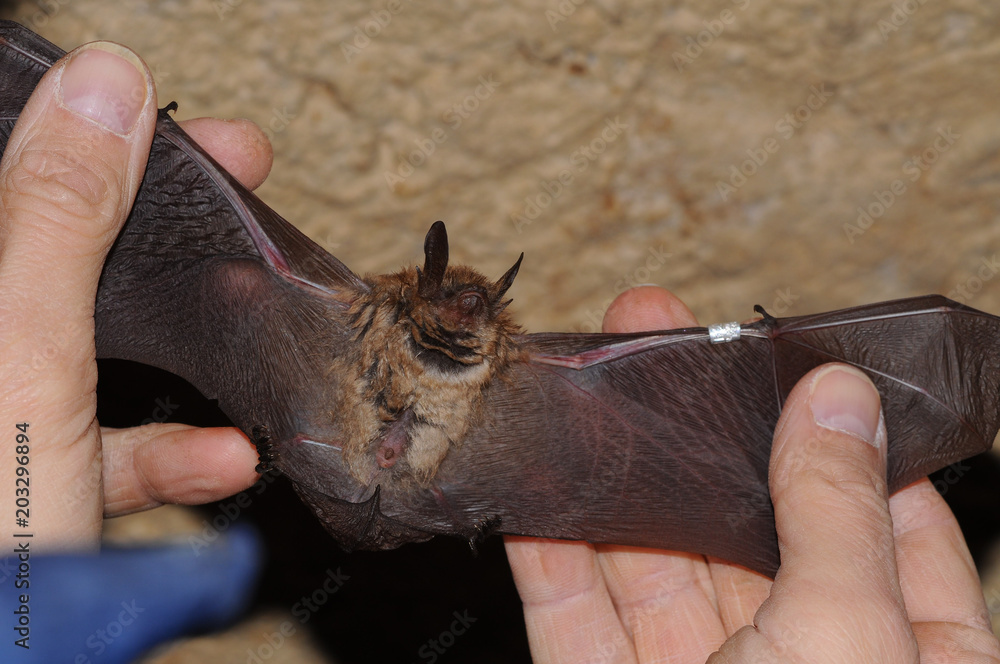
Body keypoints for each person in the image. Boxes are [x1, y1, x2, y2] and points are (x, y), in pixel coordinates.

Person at [1, 41, 996, 663]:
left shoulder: (527, 382)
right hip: (325, 445)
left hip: (423, 488)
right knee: (234, 269)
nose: (467, 316)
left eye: (480, 313)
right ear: (418, 293)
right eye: (454, 304)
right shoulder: (321, 312)